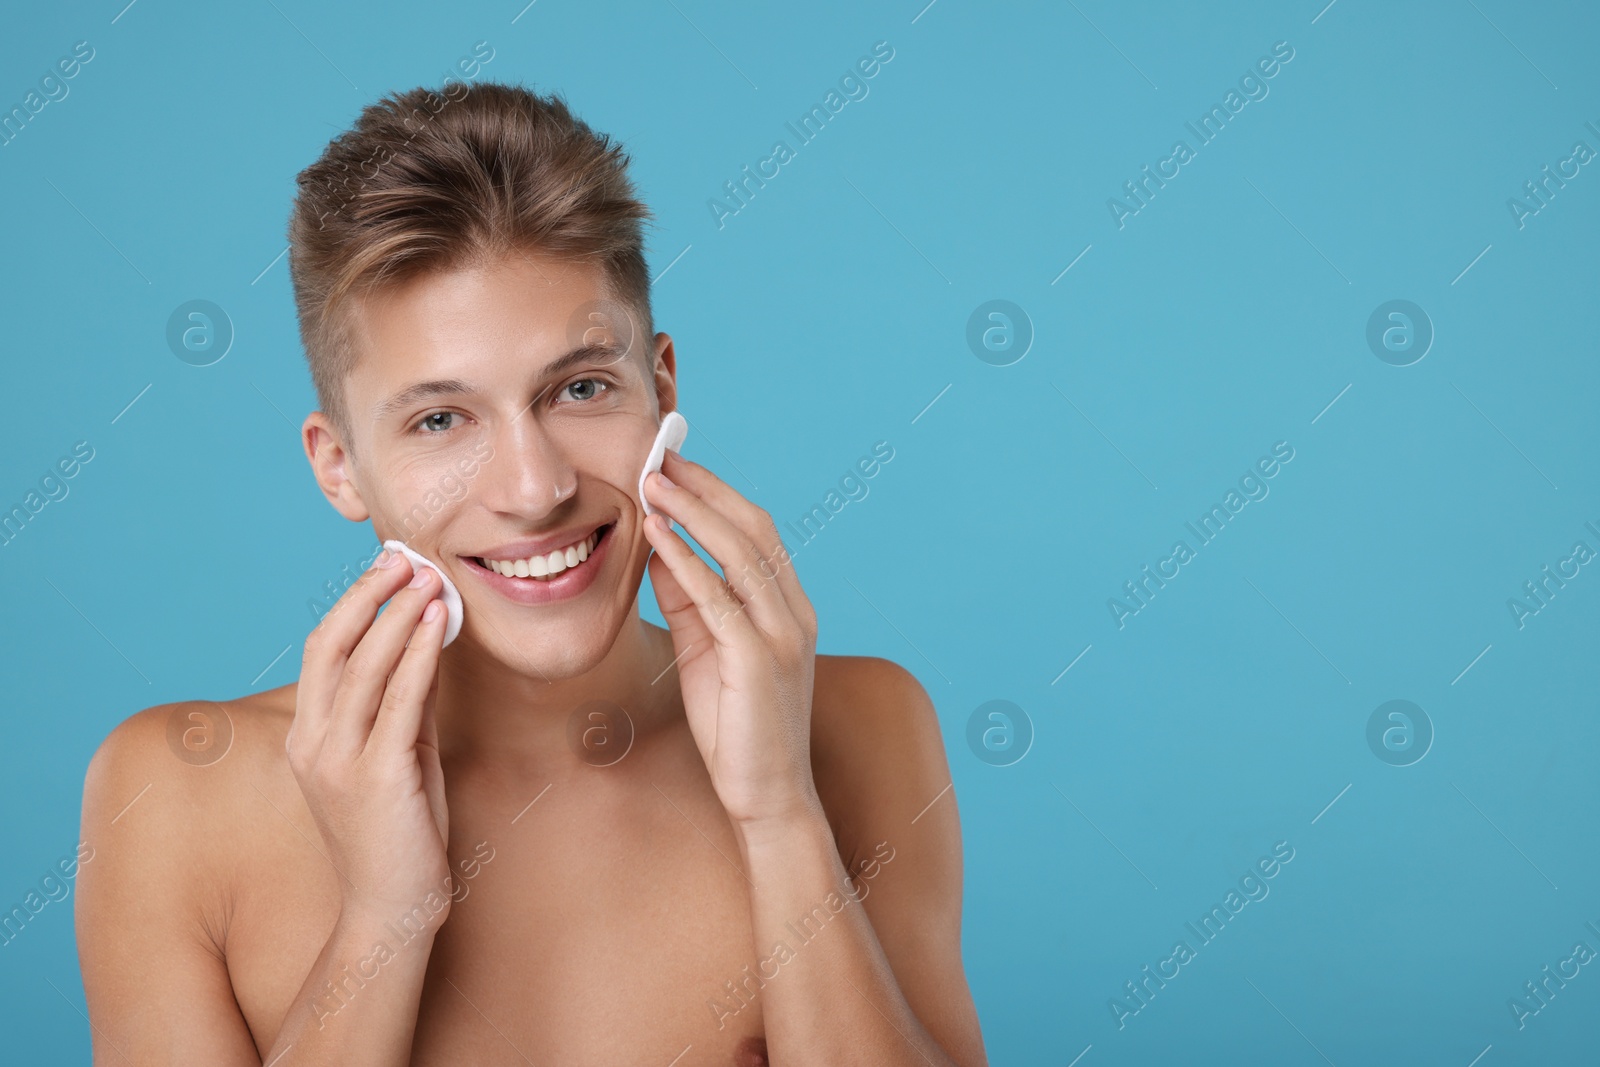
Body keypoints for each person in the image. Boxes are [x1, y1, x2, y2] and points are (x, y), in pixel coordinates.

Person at [75, 80, 986, 1066]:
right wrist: (385, 917)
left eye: (580, 387)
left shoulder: (861, 726)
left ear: (662, 387)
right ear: (338, 464)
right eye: (439, 418)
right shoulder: (176, 794)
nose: (534, 486)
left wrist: (780, 816)